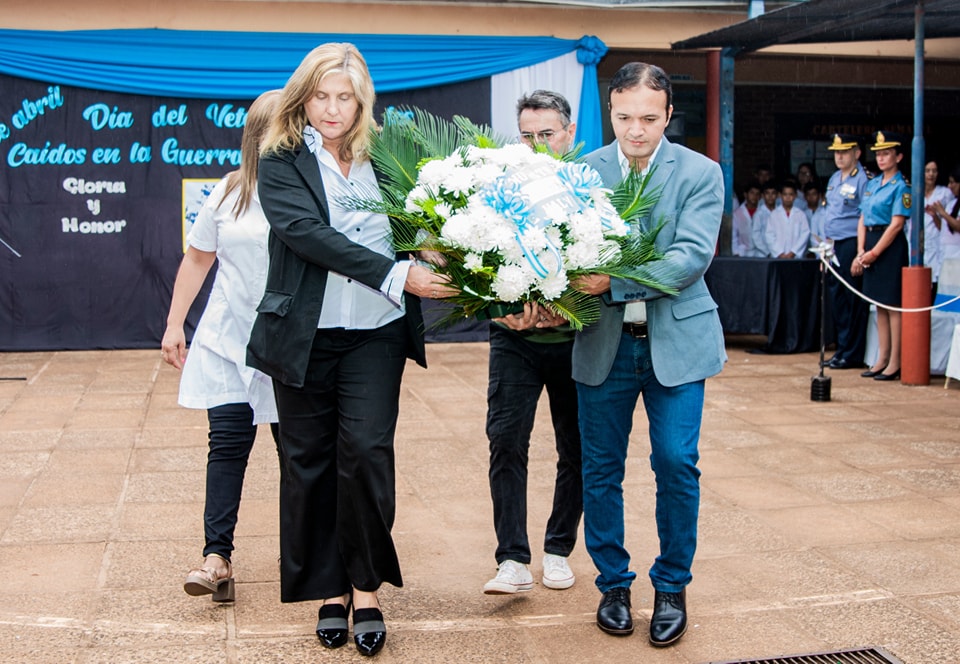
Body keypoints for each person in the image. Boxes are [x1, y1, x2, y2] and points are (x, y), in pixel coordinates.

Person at [245, 43, 456, 657]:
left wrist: (441, 250)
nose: (332, 108)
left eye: (345, 96)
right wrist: (399, 275)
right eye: (321, 95)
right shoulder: (279, 157)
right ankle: (328, 591)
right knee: (307, 461)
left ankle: (366, 586)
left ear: (363, 101)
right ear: (302, 96)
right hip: (303, 336)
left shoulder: (389, 157)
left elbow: (422, 222)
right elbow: (307, 235)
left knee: (364, 453)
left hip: (375, 334)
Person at [572, 62, 726, 647]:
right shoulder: (581, 174)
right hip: (602, 346)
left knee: (677, 465)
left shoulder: (700, 172)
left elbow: (689, 259)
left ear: (667, 115)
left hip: (677, 345)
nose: (635, 130)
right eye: (623, 117)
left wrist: (611, 283)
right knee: (601, 471)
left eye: (648, 118)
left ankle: (671, 586)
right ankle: (613, 584)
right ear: (610, 112)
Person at [161, 89, 281, 604]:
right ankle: (217, 559)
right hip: (229, 341)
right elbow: (197, 259)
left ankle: (309, 558)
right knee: (227, 446)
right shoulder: (230, 190)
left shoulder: (315, 190)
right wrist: (174, 324)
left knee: (300, 456)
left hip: (290, 349)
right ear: (259, 136)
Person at [481, 90, 583, 597]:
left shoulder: (592, 190)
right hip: (514, 342)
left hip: (576, 345)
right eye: (527, 135)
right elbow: (472, 266)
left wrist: (564, 308)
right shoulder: (493, 190)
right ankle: (512, 559)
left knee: (578, 450)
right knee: (505, 443)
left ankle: (559, 549)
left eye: (547, 134)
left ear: (568, 133)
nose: (537, 145)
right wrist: (505, 311)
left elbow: (608, 264)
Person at [852, 131, 911, 382]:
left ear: (898, 156)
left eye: (886, 153)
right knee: (879, 306)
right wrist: (861, 251)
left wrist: (875, 253)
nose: (881, 158)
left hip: (890, 246)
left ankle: (895, 362)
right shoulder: (873, 183)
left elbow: (897, 224)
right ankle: (881, 358)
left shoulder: (901, 186)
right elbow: (863, 218)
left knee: (893, 305)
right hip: (871, 243)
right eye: (878, 154)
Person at [823, 133, 870, 370]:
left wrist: (860, 253)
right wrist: (826, 248)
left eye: (844, 152)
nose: (839, 157)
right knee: (838, 300)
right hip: (834, 245)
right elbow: (830, 214)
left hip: (852, 242)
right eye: (836, 152)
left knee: (853, 301)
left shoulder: (863, 179)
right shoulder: (834, 178)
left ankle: (852, 353)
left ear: (857, 153)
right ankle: (841, 349)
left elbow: (864, 216)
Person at [920, 160, 953, 296]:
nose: (931, 174)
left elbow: (947, 227)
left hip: (938, 245)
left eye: (934, 171)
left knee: (934, 284)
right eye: (928, 170)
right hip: (917, 246)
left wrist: (935, 215)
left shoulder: (944, 193)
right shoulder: (913, 193)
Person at [516, 89, 577, 155]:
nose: (536, 145)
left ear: (570, 133)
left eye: (546, 134)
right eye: (528, 136)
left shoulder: (588, 164)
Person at [763, 180, 810, 259]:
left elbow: (804, 234)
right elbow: (769, 236)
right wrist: (779, 253)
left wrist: (793, 252)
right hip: (778, 257)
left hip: (795, 256)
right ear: (780, 195)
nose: (788, 197)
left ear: (795, 196)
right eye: (785, 194)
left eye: (790, 194)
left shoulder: (800, 214)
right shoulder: (774, 214)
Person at [930, 165, 960, 266]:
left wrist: (942, 213)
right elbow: (943, 228)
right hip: (946, 254)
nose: (949, 186)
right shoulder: (952, 203)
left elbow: (958, 226)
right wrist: (934, 215)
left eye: (952, 182)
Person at [731, 180, 762, 256]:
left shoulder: (763, 212)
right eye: (752, 193)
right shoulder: (737, 213)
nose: (754, 196)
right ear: (745, 194)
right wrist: (736, 252)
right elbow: (734, 235)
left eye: (757, 194)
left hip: (761, 252)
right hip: (742, 252)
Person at [749, 181, 779, 257]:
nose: (770, 196)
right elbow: (755, 236)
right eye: (767, 193)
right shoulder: (759, 214)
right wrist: (768, 252)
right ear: (763, 195)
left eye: (773, 193)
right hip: (763, 254)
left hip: (779, 253)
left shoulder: (780, 212)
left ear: (777, 195)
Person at [803, 181, 828, 254]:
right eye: (809, 194)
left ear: (819, 195)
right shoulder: (802, 214)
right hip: (807, 251)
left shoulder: (827, 213)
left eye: (814, 194)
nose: (811, 197)